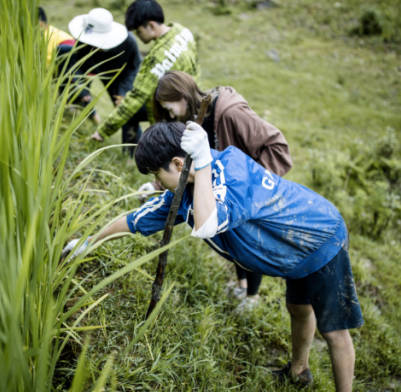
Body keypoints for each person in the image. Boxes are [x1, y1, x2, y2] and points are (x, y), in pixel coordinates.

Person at [65, 121, 363, 391]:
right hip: (294, 253)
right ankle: (299, 372)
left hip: (319, 238)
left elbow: (208, 223)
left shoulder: (231, 172)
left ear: (179, 163)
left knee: (334, 331)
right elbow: (137, 219)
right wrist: (88, 242)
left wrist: (204, 164)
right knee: (298, 308)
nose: (157, 181)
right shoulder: (190, 184)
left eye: (157, 174)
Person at [138, 71, 293, 312]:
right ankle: (241, 287)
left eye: (170, 109)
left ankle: (252, 298)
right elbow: (182, 164)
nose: (170, 115)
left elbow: (276, 145)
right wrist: (157, 185)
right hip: (224, 186)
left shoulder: (230, 112)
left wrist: (252, 184)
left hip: (246, 188)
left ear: (183, 97)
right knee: (232, 235)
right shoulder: (196, 119)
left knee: (248, 239)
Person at [90, 0, 201, 152]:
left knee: (130, 112)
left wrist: (103, 131)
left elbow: (135, 97)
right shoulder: (182, 31)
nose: (138, 36)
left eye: (138, 31)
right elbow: (196, 67)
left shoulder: (157, 58)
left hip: (169, 111)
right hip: (191, 102)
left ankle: (129, 158)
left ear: (151, 25)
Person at [68, 7, 143, 155]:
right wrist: (81, 89)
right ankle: (86, 118)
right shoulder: (83, 41)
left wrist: (123, 92)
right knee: (80, 93)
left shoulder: (128, 41)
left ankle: (131, 153)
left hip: (123, 76)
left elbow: (134, 67)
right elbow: (76, 65)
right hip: (101, 73)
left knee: (126, 111)